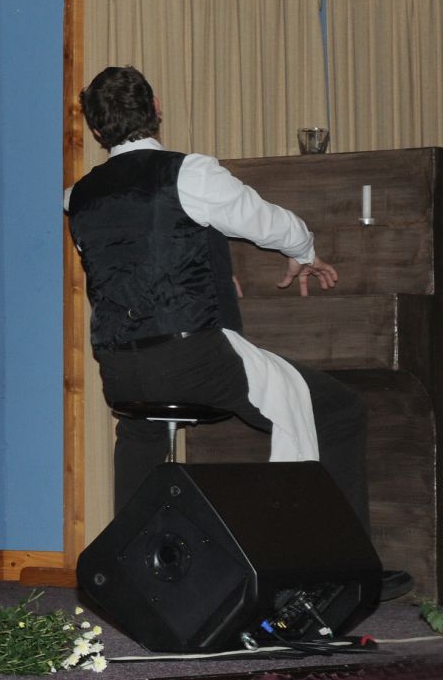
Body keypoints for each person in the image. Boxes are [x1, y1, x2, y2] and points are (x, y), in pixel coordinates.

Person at [65, 65, 410, 601]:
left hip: (120, 366)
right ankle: (345, 570)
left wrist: (211, 269)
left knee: (141, 430)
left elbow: (134, 262)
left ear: (95, 129)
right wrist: (304, 251)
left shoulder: (78, 196)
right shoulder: (189, 173)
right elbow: (271, 223)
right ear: (155, 108)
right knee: (337, 410)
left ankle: (130, 578)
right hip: (191, 361)